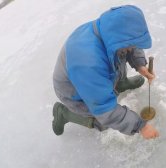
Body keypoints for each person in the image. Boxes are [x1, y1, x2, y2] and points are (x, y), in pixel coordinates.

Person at [52, 5, 159, 139]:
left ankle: (120, 83)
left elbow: (129, 42)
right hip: (75, 92)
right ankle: (64, 113)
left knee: (118, 53)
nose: (133, 47)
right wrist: (141, 126)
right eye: (131, 45)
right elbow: (105, 111)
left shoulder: (109, 30)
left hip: (91, 76)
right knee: (102, 122)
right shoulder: (88, 63)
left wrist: (140, 64)